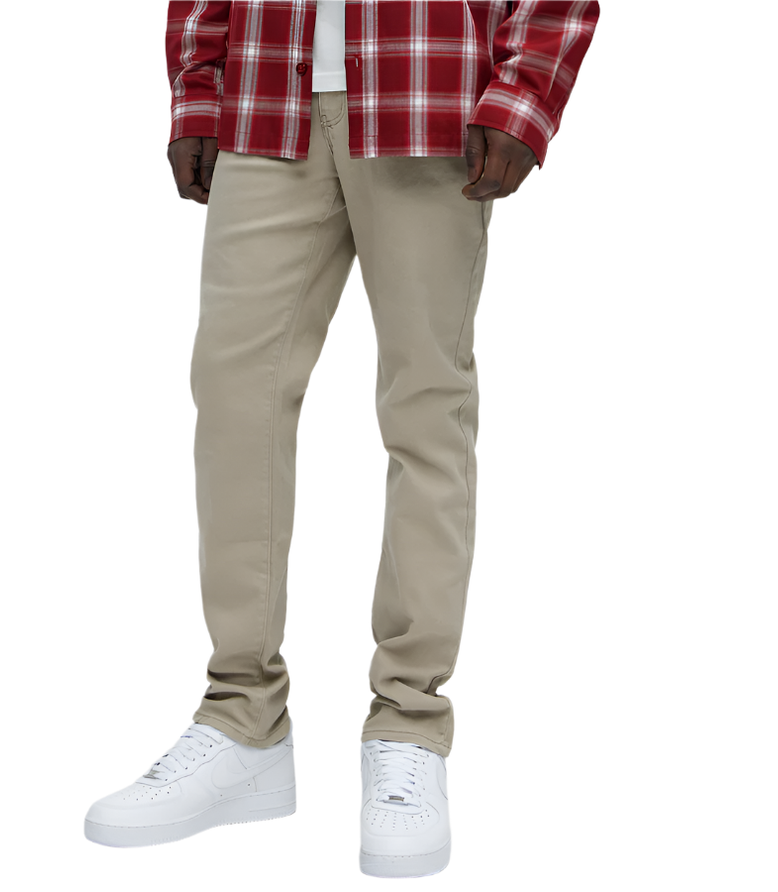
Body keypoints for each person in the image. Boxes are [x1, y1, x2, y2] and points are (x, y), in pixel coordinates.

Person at [85, 0, 600, 878]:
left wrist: (524, 95)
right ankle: (242, 718)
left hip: (427, 91)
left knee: (426, 405)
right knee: (232, 393)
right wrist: (197, 91)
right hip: (265, 94)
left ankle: (409, 725)